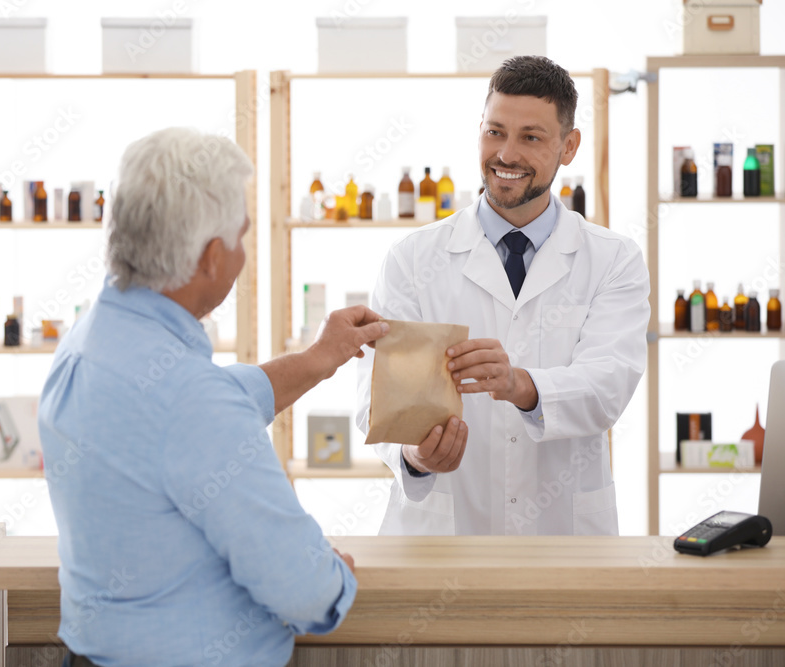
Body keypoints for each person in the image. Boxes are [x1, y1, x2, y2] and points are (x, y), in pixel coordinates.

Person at [39, 127, 388, 667]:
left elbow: (199, 410)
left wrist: (320, 357)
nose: (245, 252)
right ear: (209, 259)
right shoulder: (190, 399)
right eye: (243, 238)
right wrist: (332, 574)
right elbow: (306, 592)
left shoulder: (87, 343)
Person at [356, 56, 649, 537]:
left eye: (530, 137)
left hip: (563, 533)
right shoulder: (412, 258)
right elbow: (376, 395)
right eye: (495, 132)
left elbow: (608, 386)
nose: (506, 155)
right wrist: (414, 455)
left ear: (569, 146)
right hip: (443, 533)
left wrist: (521, 385)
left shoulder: (613, 259)